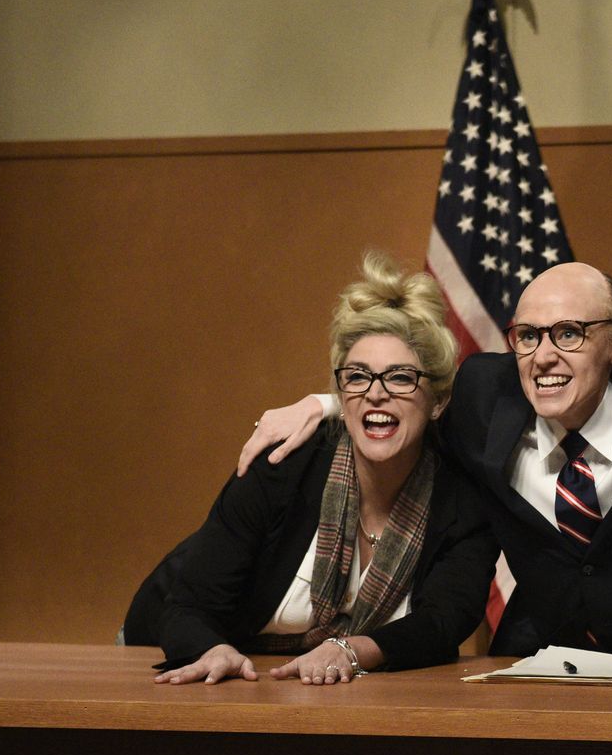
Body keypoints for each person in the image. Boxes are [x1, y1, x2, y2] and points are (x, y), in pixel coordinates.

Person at [242, 262, 612, 661]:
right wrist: (324, 403)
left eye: (569, 333)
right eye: (529, 336)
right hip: (541, 663)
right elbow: (408, 401)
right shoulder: (482, 397)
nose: (544, 356)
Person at [125, 255, 497, 685]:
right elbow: (186, 606)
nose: (376, 394)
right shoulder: (285, 466)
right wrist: (214, 649)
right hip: (179, 655)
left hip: (337, 691)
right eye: (358, 377)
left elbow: (442, 622)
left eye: (400, 378)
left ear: (438, 401)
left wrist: (351, 650)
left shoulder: (463, 498)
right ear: (341, 391)